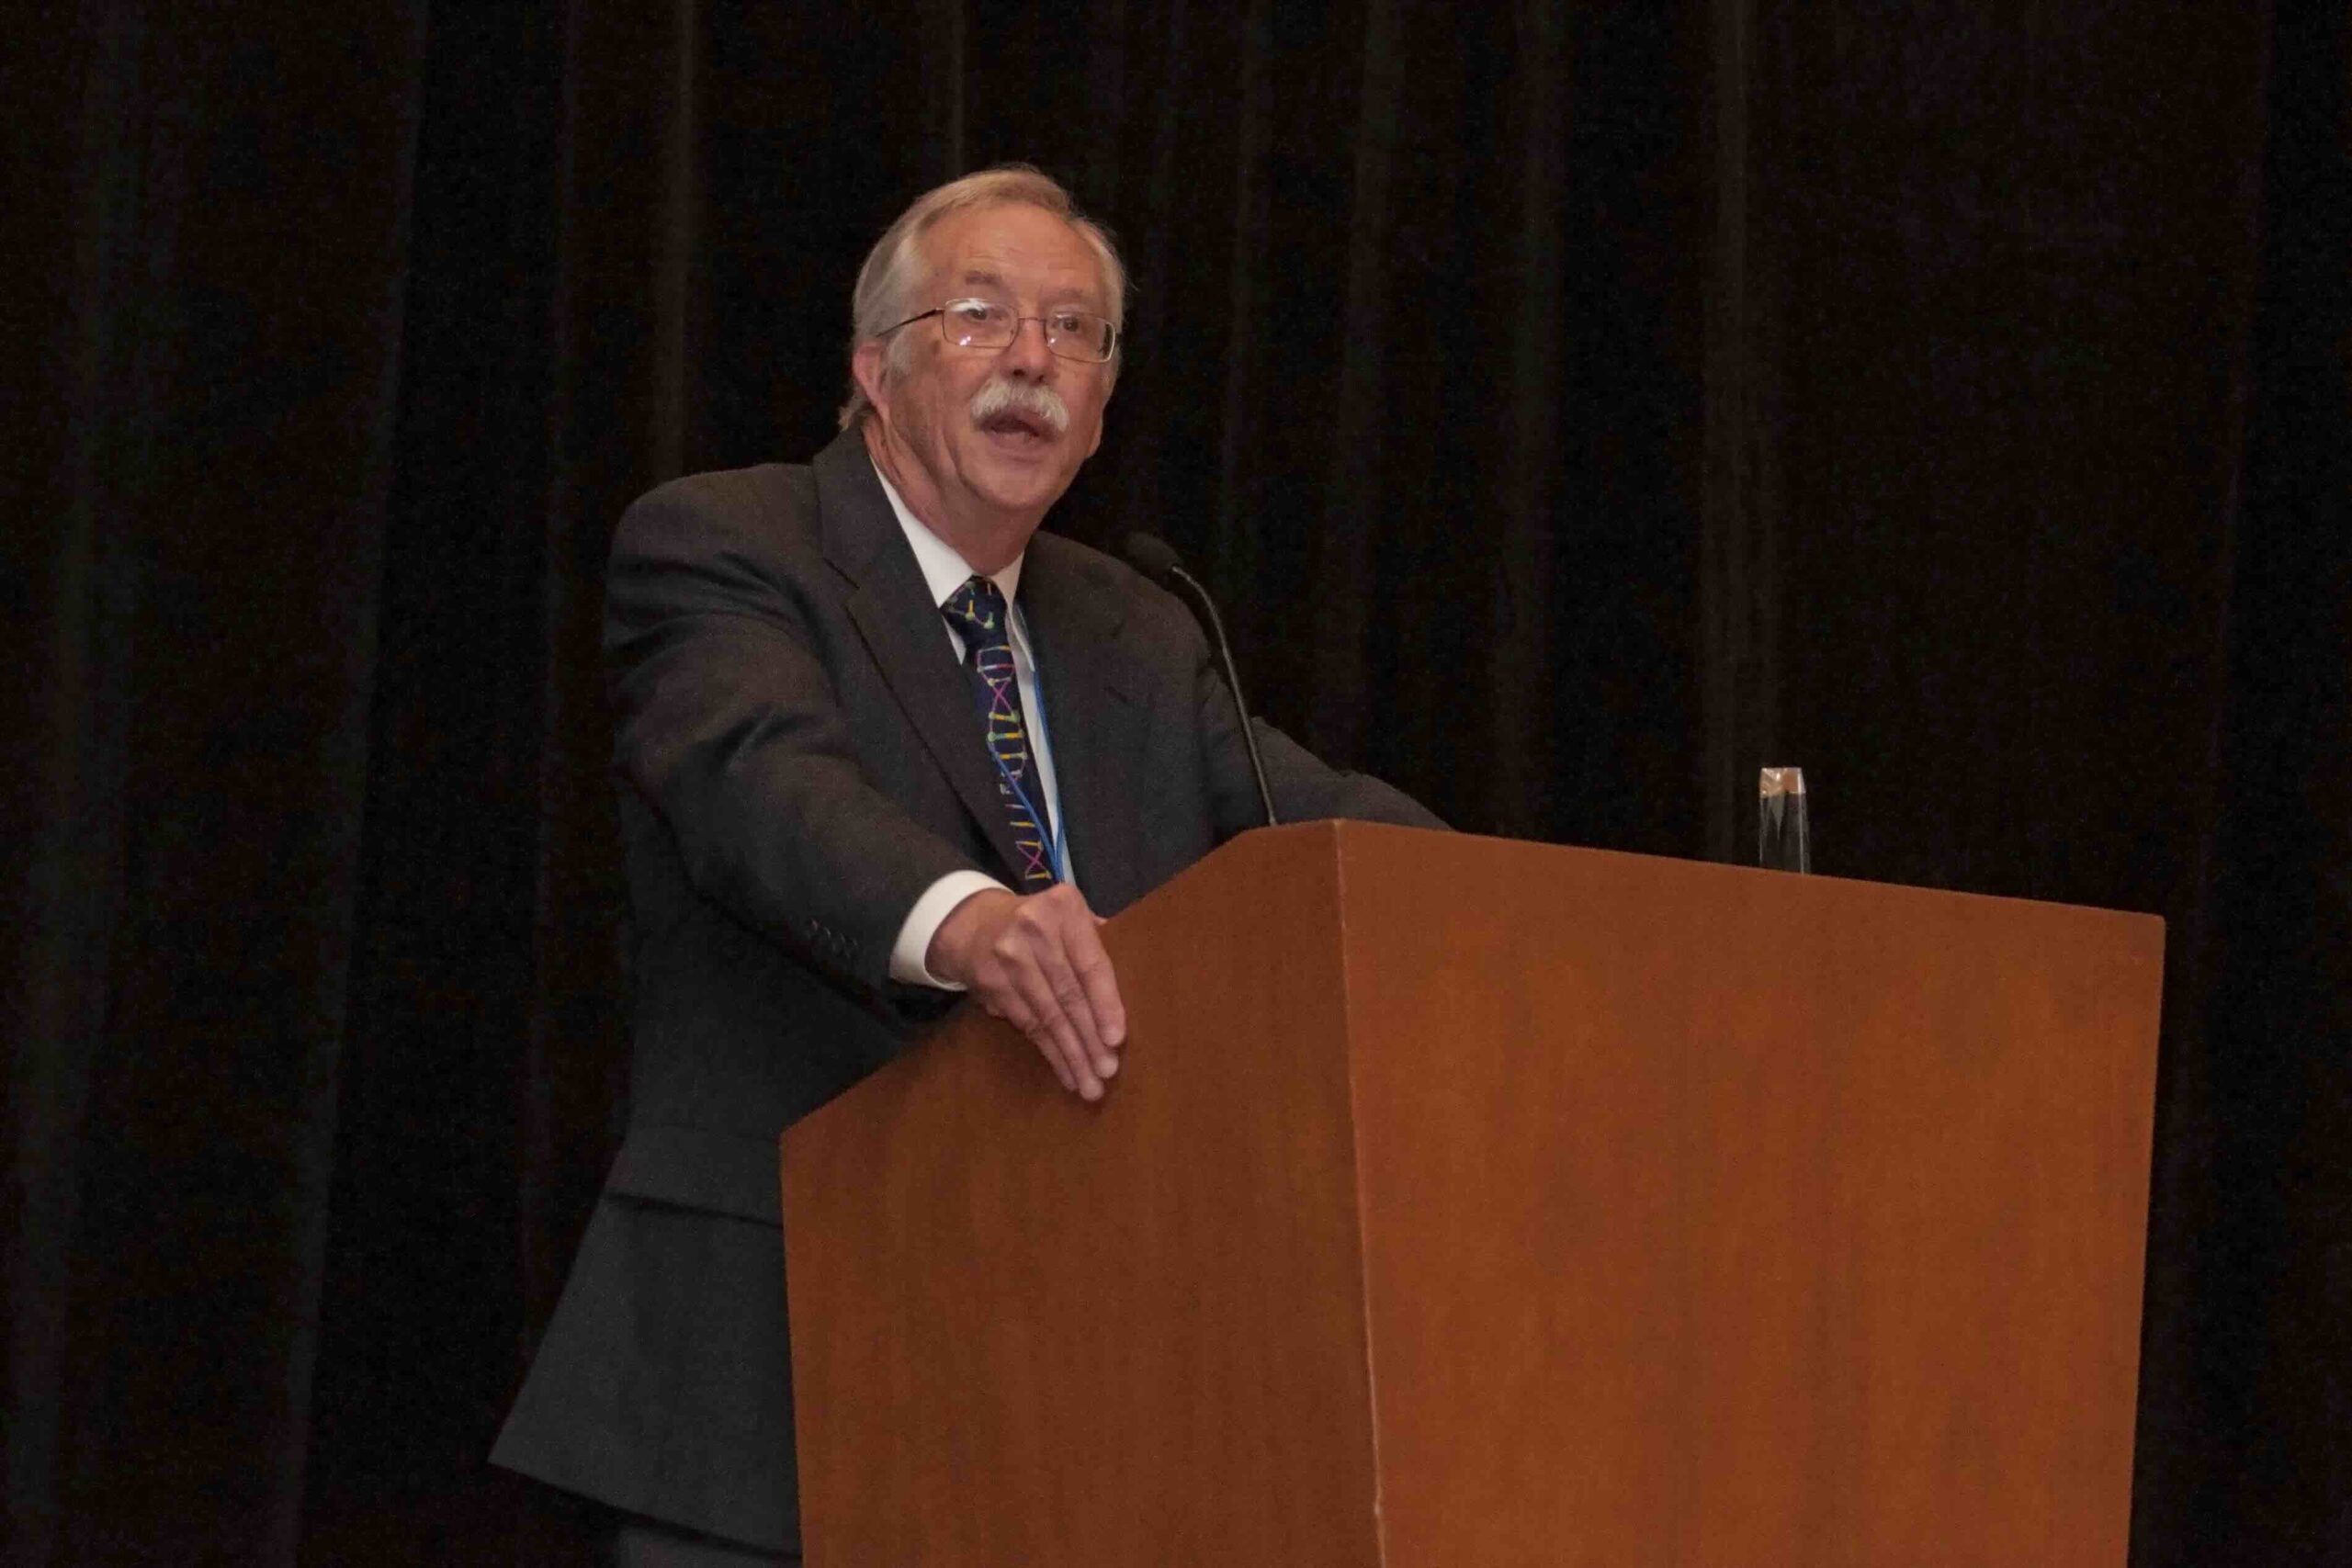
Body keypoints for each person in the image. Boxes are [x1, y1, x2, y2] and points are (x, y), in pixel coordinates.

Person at [492, 164, 1440, 1564]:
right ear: (875, 366)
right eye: (982, 315)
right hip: (778, 1364)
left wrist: (1525, 912)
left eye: (1075, 332)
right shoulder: (729, 544)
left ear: (1108, 401)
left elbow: (1312, 821)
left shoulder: (1135, 626)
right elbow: (766, 784)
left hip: (1077, 1384)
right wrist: (973, 923)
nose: (1032, 362)